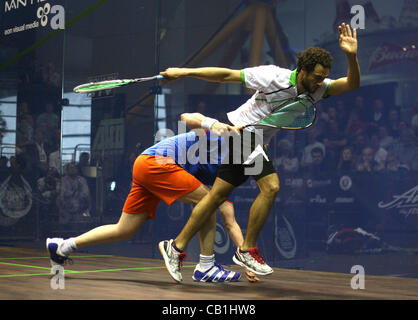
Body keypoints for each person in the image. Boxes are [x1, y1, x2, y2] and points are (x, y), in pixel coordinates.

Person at [158, 22, 360, 278]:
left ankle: (175, 247)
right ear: (303, 71)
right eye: (318, 76)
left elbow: (351, 84)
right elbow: (226, 75)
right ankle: (246, 249)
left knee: (216, 196)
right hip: (241, 132)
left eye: (324, 76)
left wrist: (351, 57)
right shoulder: (272, 76)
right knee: (271, 186)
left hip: (251, 139)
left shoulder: (318, 89)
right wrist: (183, 72)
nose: (322, 81)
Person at [47, 115, 245, 283]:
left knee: (124, 229)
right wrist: (212, 123)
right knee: (207, 201)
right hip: (155, 163)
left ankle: (63, 246)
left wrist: (247, 258)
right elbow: (186, 116)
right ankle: (206, 266)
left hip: (146, 166)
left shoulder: (228, 167)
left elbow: (229, 216)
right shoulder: (222, 135)